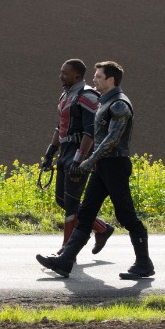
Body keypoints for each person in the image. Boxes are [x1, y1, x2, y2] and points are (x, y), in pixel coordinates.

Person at [37, 61, 154, 279]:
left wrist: (88, 161)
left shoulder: (119, 105)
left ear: (111, 80)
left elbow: (112, 139)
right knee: (86, 213)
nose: (94, 80)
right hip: (102, 164)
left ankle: (144, 263)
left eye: (99, 76)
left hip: (115, 165)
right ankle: (65, 261)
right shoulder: (104, 102)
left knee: (126, 215)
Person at [39, 59, 115, 254]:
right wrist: (49, 153)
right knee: (62, 200)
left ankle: (66, 249)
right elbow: (60, 127)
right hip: (66, 151)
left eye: (65, 73)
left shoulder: (87, 96)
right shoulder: (66, 95)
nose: (61, 75)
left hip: (79, 153)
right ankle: (101, 228)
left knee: (71, 203)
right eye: (61, 71)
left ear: (77, 76)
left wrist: (79, 160)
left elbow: (91, 132)